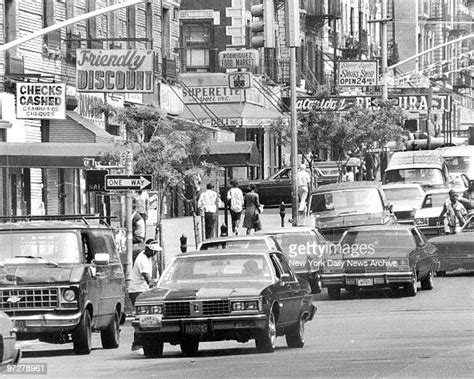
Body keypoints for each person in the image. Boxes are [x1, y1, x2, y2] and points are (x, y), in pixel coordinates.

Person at [128, 238, 162, 306]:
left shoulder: (146, 256)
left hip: (141, 290)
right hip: (137, 291)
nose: (155, 253)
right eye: (154, 251)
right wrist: (160, 284)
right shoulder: (142, 260)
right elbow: (149, 281)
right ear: (148, 249)